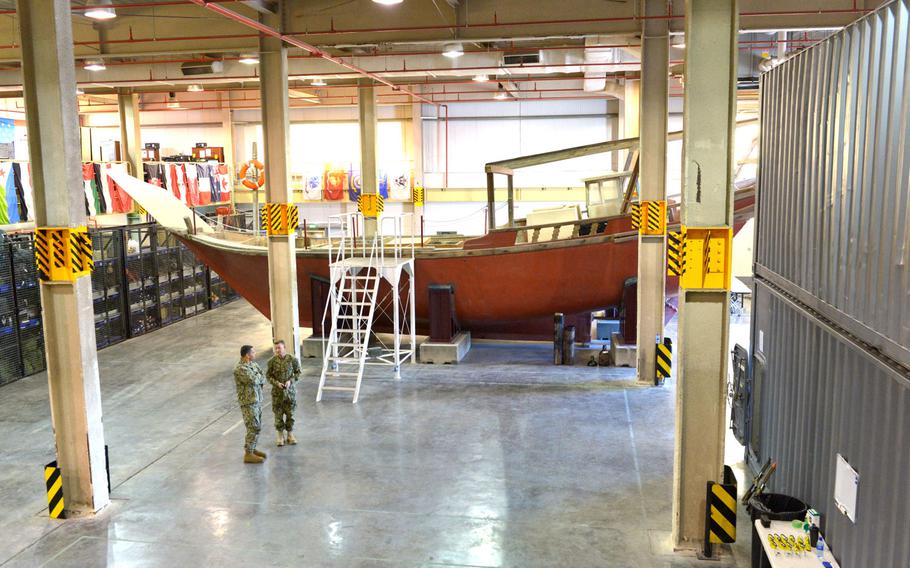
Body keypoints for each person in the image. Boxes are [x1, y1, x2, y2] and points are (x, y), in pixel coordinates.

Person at [234, 345, 267, 464]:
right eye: (253, 352)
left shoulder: (253, 365)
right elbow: (254, 380)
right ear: (247, 355)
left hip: (257, 400)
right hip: (248, 402)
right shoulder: (240, 369)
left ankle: (252, 448)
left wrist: (258, 378)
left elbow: (263, 377)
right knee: (253, 426)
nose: (255, 353)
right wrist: (258, 378)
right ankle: (248, 454)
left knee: (257, 426)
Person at [266, 339, 302, 447]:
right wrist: (276, 383)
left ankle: (290, 435)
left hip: (290, 393)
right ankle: (280, 436)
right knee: (278, 415)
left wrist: (290, 381)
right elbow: (268, 376)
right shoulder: (271, 362)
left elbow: (298, 372)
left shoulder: (292, 359)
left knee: (291, 414)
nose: (277, 350)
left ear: (284, 348)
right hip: (277, 393)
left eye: (279, 348)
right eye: (276, 348)